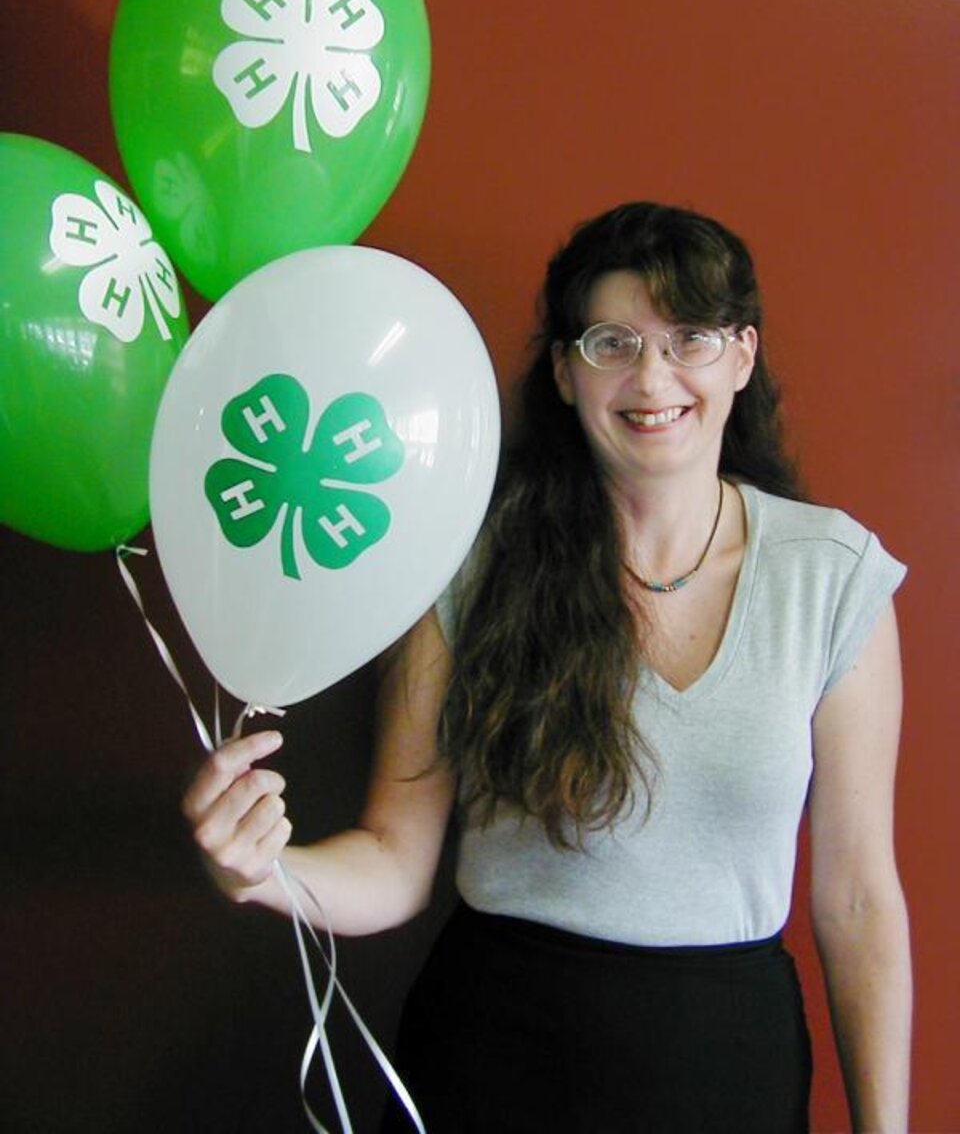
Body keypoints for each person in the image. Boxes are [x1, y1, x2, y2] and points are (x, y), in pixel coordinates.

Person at [182, 202, 911, 1133]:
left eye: (689, 337)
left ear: (741, 356)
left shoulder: (834, 576)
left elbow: (856, 900)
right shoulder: (473, 560)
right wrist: (262, 873)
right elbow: (396, 861)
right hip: (497, 1055)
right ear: (566, 374)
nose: (652, 377)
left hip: (730, 1063)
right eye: (612, 342)